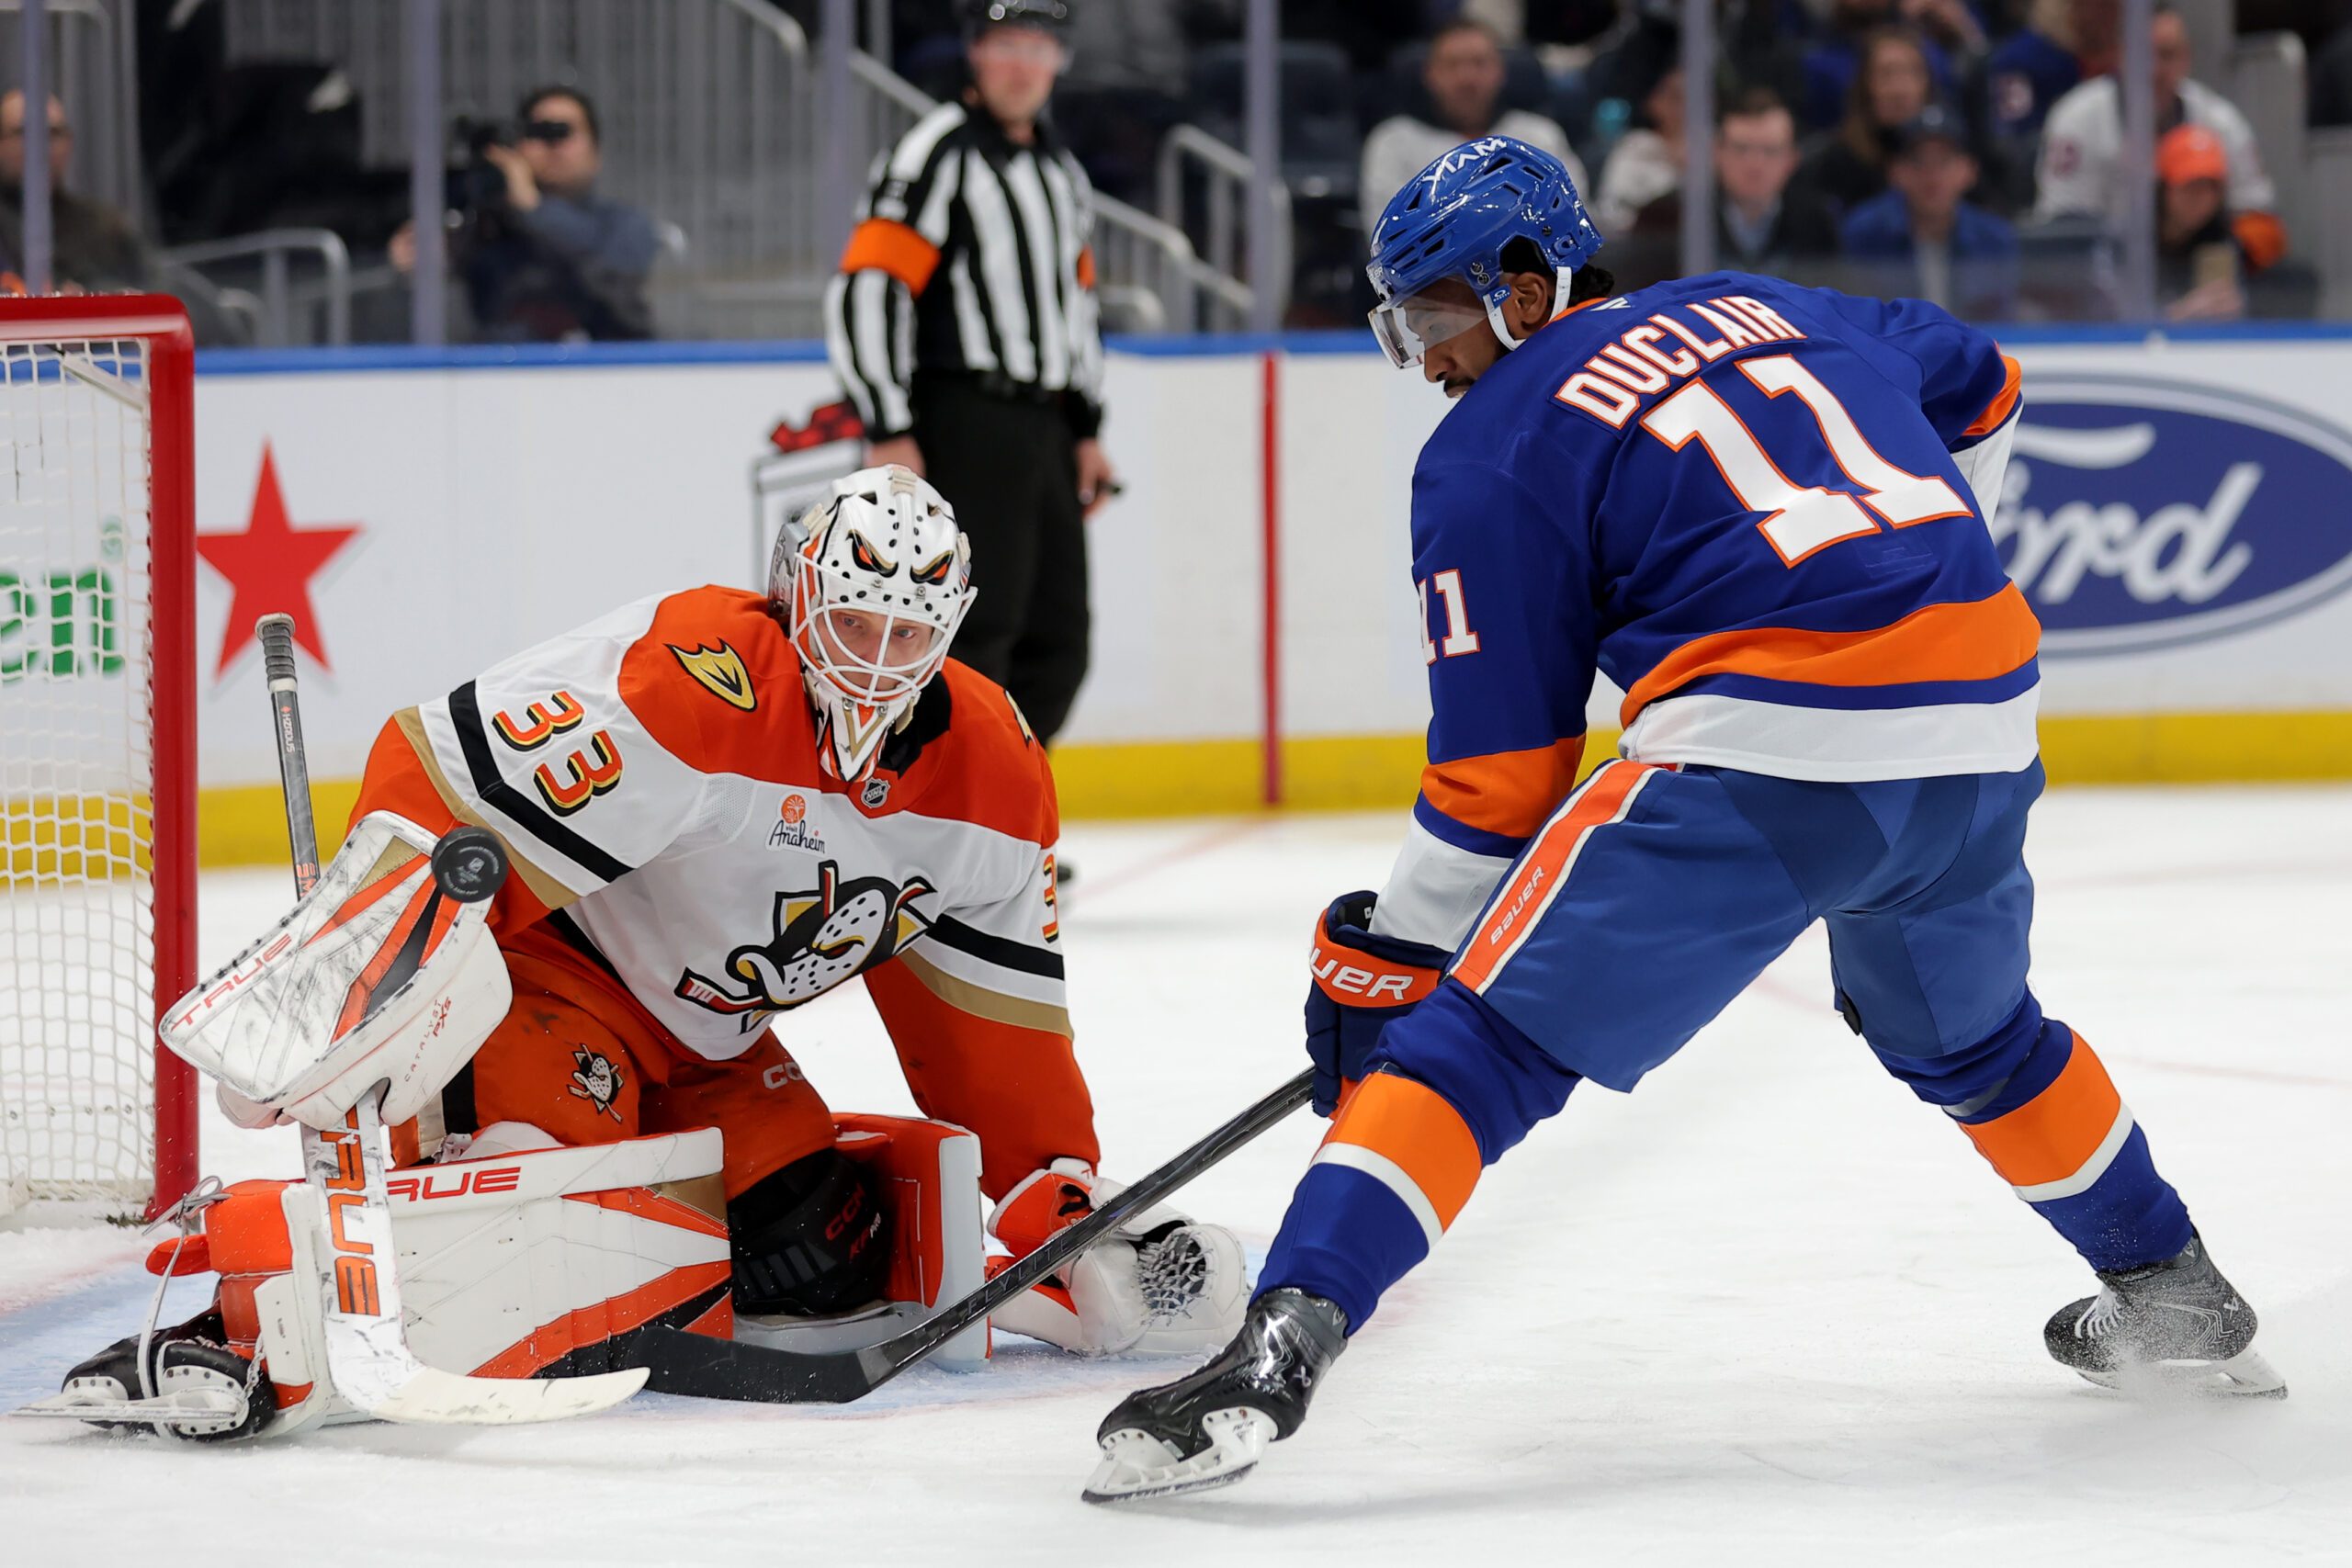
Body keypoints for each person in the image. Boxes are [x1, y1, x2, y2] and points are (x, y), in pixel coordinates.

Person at [1082, 137, 2281, 1502]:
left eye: (1436, 315)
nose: (1424, 359)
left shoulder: (1494, 440)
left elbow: (1497, 782)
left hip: (1763, 753)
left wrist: (1398, 961)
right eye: (1400, 325)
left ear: (1524, 286)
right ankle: (2173, 1286)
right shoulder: (1768, 301)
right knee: (1974, 1037)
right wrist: (1938, 563)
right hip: (1981, 724)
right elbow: (1983, 379)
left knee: (1479, 1046)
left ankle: (1274, 1351)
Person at [59, 467, 1245, 1436]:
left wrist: (1050, 1196)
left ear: (953, 623)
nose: (876, 654)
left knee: (818, 1257)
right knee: (524, 1218)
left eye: (907, 628)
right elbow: (446, 778)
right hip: (548, 988)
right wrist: (337, 984)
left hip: (708, 1044)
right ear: (798, 589)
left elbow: (991, 1019)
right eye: (853, 618)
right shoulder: (694, 680)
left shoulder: (995, 774)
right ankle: (238, 1317)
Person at [827, 0, 1116, 758]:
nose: (1023, 66)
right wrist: (887, 423)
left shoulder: (1060, 172)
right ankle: (937, 800)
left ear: (1059, 62)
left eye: (1039, 48)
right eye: (1006, 45)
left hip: (1046, 426)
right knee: (971, 630)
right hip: (965, 419)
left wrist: (1086, 428)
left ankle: (1001, 794)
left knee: (1060, 638)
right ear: (975, 54)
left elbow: (1076, 305)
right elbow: (869, 287)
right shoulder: (934, 155)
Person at [397, 85, 659, 343]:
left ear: (595, 153)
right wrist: (414, 265)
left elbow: (612, 272)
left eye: (561, 132)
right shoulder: (490, 227)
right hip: (508, 366)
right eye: (537, 133)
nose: (551, 146)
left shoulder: (625, 224)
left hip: (611, 365)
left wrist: (533, 207)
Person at [2034, 5, 2285, 273]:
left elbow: (2261, 222)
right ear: (2120, 55)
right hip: (2100, 273)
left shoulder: (2220, 121)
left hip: (2194, 270)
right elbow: (2061, 231)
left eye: (2167, 55)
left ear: (2186, 59)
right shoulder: (2078, 118)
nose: (2153, 70)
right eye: (2142, 55)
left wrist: (2225, 260)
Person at [1359, 18, 1587, 237]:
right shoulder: (1393, 142)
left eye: (1479, 63)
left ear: (1500, 71)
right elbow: (1387, 236)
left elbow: (1574, 218)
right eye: (1452, 65)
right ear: (1430, 74)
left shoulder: (1540, 136)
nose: (1467, 78)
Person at [1611, 85, 1840, 290]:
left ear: (1792, 160)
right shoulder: (1667, 215)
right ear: (1717, 152)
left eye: (1770, 151)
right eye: (1741, 149)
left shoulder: (1817, 223)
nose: (1755, 165)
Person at [1839, 105, 2018, 317]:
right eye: (1919, 161)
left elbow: (1999, 318)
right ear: (1896, 171)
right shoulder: (1866, 233)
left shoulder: (1993, 238)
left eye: (1944, 161)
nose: (1932, 175)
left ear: (1969, 170)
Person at [0, 90, 161, 292]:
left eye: (53, 133)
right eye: (24, 133)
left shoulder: (106, 229)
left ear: (69, 143)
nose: (41, 146)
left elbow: (159, 292)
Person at [1796, 25, 1940, 218]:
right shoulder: (1829, 164)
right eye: (1887, 74)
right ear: (1865, 86)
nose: (1899, 89)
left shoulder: (1950, 160)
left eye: (1911, 72)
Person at [2153, 124, 2247, 321]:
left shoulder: (2222, 241)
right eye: (2191, 187)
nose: (2201, 199)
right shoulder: (2135, 245)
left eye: (2211, 188)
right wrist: (2177, 315)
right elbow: (2116, 318)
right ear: (2164, 189)